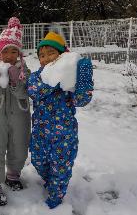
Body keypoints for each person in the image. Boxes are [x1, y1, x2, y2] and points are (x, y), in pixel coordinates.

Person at [27, 32, 94, 208]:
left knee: (61, 168)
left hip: (64, 136)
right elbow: (33, 91)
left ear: (62, 55)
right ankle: (49, 180)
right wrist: (54, 80)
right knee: (38, 161)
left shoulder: (70, 80)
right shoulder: (37, 76)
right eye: (42, 55)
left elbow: (81, 101)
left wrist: (84, 84)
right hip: (40, 133)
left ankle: (56, 194)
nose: (46, 58)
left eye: (51, 53)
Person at [0, 17, 31, 206]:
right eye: (6, 51)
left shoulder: (24, 70)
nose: (10, 55)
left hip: (20, 118)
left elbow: (25, 92)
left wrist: (16, 81)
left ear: (19, 54)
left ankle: (13, 175)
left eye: (14, 51)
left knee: (19, 146)